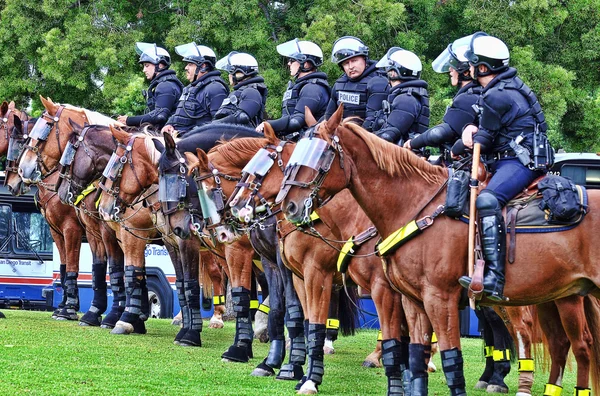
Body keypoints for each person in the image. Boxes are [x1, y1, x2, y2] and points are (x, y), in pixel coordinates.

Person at [456, 32, 553, 301]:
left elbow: (483, 141)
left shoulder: (497, 95)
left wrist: (464, 137)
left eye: (472, 64)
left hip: (518, 163)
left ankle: (494, 279)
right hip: (512, 160)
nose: (469, 69)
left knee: (487, 200)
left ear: (483, 68)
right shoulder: (508, 86)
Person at [404, 36, 482, 164]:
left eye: (454, 66)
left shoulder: (468, 98)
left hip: (464, 165)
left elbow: (438, 134)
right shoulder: (477, 93)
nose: (450, 70)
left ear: (466, 71)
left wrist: (412, 143)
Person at [257, 39, 330, 141]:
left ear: (306, 64)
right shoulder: (299, 86)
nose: (288, 64)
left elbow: (296, 121)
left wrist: (268, 124)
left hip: (309, 145)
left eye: (292, 60)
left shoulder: (312, 88)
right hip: (294, 141)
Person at [162, 42, 228, 137]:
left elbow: (218, 124)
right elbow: (180, 113)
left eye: (190, 64)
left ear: (203, 66)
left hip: (198, 145)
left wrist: (189, 134)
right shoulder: (189, 88)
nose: (186, 67)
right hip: (179, 140)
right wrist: (169, 124)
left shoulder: (215, 88)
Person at [324, 36, 388, 131]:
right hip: (340, 136)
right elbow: (328, 117)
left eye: (354, 61)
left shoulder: (378, 83)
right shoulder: (340, 83)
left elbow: (371, 124)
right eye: (346, 63)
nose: (350, 66)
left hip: (369, 137)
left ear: (364, 59)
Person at [117, 42, 183, 129]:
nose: (144, 70)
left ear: (159, 65)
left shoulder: (165, 86)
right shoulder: (165, 83)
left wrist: (128, 120)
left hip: (170, 136)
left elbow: (159, 116)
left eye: (147, 65)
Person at [372, 47, 429, 146]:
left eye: (389, 70)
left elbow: (387, 136)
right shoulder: (408, 95)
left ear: (394, 73)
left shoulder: (406, 100)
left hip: (401, 158)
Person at [213, 51, 268, 128]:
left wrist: (212, 125)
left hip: (243, 138)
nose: (230, 75)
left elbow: (242, 117)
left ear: (240, 73)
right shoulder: (241, 91)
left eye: (231, 72)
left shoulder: (251, 91)